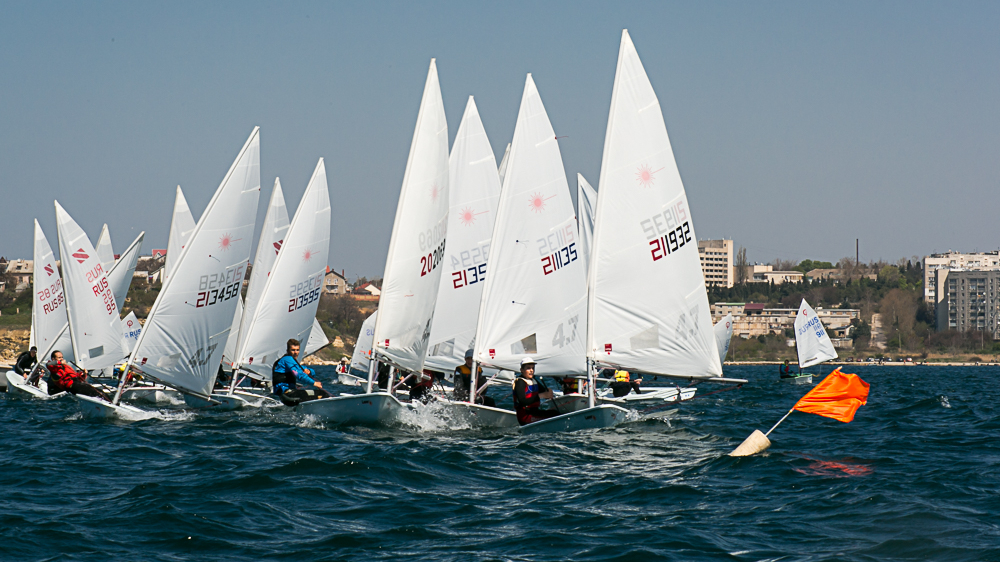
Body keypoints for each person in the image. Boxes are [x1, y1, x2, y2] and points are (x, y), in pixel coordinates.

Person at [272, 338, 331, 406]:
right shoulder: (287, 359)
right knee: (322, 394)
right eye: (293, 350)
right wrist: (314, 383)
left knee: (319, 394)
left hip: (288, 394)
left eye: (297, 350)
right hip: (287, 395)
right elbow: (298, 374)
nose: (295, 352)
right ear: (288, 350)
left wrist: (309, 371)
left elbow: (307, 370)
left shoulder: (292, 362)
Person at [45, 350, 110, 400]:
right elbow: (48, 365)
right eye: (59, 357)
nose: (62, 359)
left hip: (77, 383)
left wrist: (83, 374)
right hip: (71, 385)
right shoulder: (54, 367)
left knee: (100, 392)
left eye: (62, 357)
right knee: (98, 393)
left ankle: (113, 404)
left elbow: (77, 376)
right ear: (53, 359)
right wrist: (60, 362)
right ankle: (111, 405)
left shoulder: (66, 366)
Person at [512, 357, 559, 426]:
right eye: (528, 368)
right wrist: (541, 396)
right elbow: (522, 401)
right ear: (521, 370)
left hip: (534, 412)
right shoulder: (520, 382)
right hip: (525, 416)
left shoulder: (533, 380)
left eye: (533, 368)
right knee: (554, 417)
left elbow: (544, 391)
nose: (531, 370)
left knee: (555, 413)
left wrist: (548, 391)